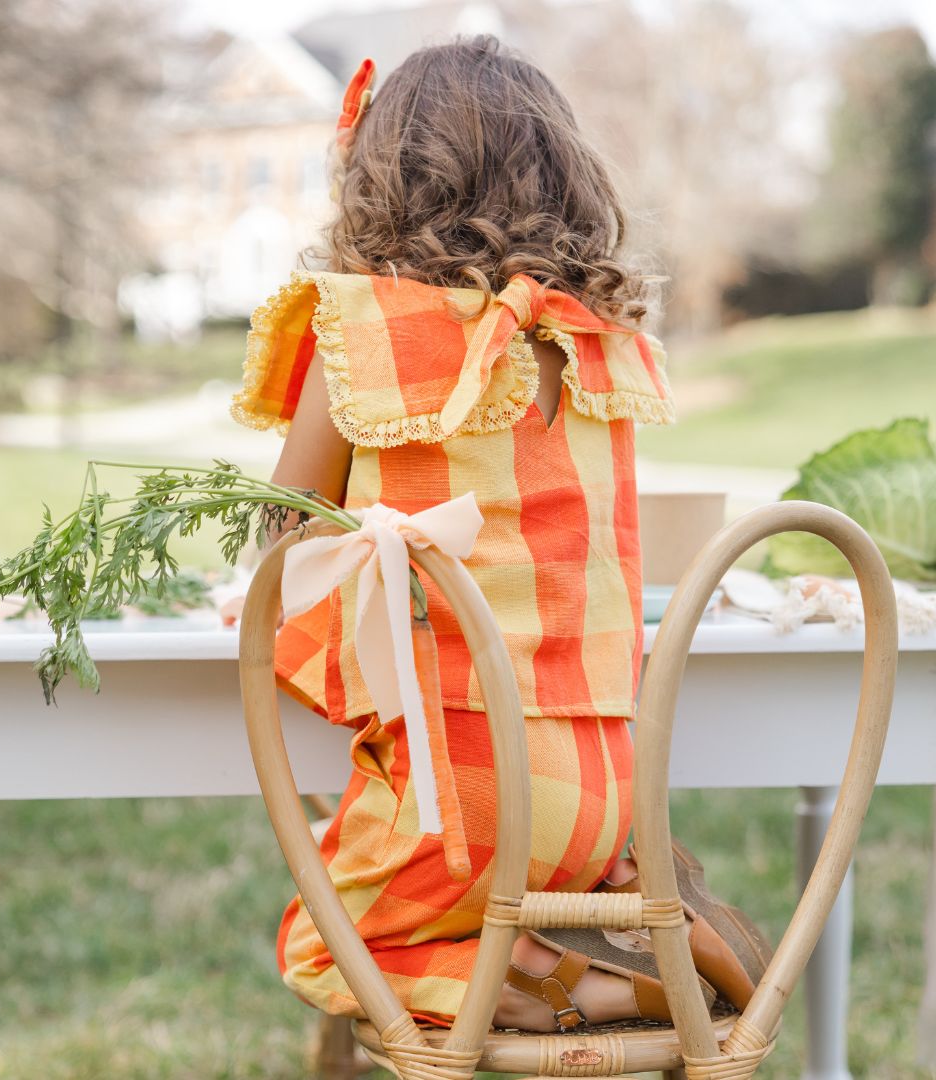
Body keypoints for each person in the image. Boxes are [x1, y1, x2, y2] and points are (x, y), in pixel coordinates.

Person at [231, 35, 767, 1033]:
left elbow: (283, 560)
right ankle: (632, 922)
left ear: (380, 179)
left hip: (463, 807)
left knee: (317, 940)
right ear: (568, 180)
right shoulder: (606, 349)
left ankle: (587, 988)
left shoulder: (359, 335)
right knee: (468, 893)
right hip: (605, 803)